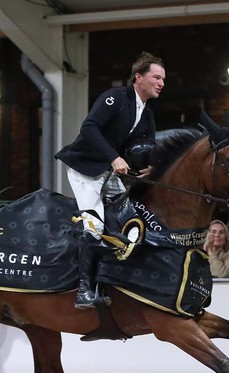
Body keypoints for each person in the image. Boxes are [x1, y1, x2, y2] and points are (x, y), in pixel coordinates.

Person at [55, 51, 165, 308]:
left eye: (163, 79)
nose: (161, 83)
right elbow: (89, 128)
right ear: (138, 77)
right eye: (156, 77)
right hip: (86, 169)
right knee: (93, 227)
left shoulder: (146, 113)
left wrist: (152, 168)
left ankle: (109, 280)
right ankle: (83, 291)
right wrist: (114, 158)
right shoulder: (114, 97)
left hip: (108, 173)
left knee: (124, 219)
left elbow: (148, 146)